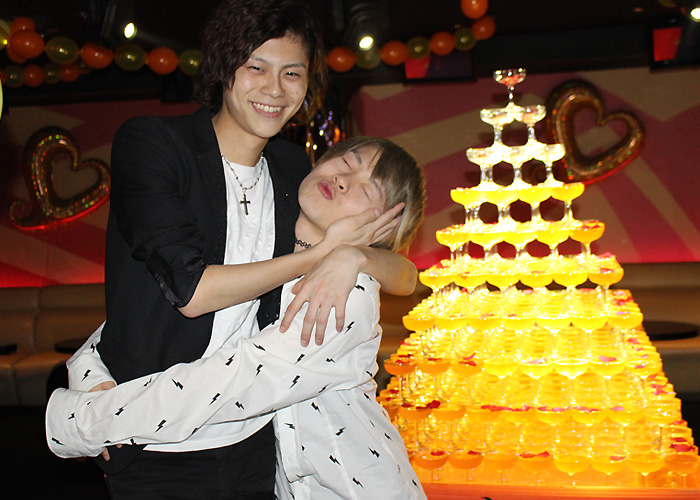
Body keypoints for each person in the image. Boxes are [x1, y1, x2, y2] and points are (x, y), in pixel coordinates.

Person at [92, 0, 417, 497]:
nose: (275, 89)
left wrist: (354, 255)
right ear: (225, 67)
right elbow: (185, 292)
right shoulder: (156, 145)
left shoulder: (294, 171)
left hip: (257, 444)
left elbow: (405, 273)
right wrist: (87, 381)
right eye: (256, 67)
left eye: (292, 73)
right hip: (156, 444)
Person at [47, 136, 428, 499]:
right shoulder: (269, 252)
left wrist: (83, 422)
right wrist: (89, 371)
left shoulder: (346, 293)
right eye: (346, 161)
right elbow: (143, 318)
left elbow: (233, 381)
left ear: (385, 227)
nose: (344, 180)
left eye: (367, 190)